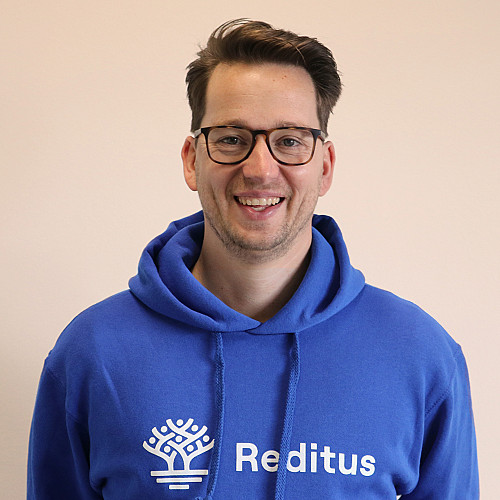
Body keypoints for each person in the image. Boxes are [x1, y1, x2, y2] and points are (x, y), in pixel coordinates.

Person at [28, 19, 479, 499]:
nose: (260, 169)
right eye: (230, 138)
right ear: (192, 160)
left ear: (324, 166)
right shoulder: (94, 352)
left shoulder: (420, 356)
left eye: (290, 140)